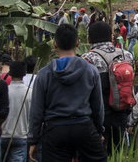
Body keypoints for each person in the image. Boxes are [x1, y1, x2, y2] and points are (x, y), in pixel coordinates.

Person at [28, 24, 105, 162]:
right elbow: (98, 107)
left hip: (55, 130)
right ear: (78, 42)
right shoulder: (91, 71)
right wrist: (98, 131)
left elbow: (36, 111)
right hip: (84, 127)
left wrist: (33, 140)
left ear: (55, 44)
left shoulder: (44, 74)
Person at [80, 21, 134, 155]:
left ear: (89, 38)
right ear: (111, 37)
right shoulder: (126, 55)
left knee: (99, 153)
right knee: (118, 151)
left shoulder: (88, 58)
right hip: (122, 112)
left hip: (99, 116)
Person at [0, 61, 31, 162]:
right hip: (21, 135)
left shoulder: (3, 91)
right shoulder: (30, 92)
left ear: (10, 73)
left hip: (2, 134)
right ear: (24, 74)